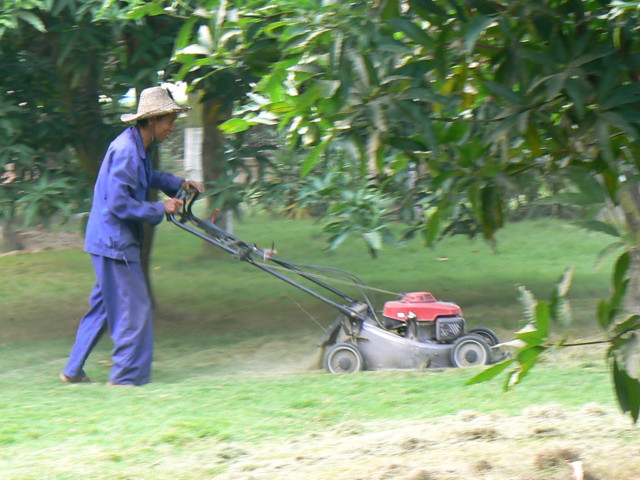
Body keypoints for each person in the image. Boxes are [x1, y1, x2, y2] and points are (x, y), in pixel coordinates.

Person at [60, 86, 203, 386]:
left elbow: (148, 177)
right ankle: (125, 378)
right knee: (134, 308)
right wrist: (160, 207)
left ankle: (72, 370)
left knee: (103, 308)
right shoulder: (126, 151)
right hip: (115, 243)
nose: (172, 127)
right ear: (151, 121)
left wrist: (179, 185)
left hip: (107, 240)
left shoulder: (138, 148)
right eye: (168, 121)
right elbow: (119, 203)